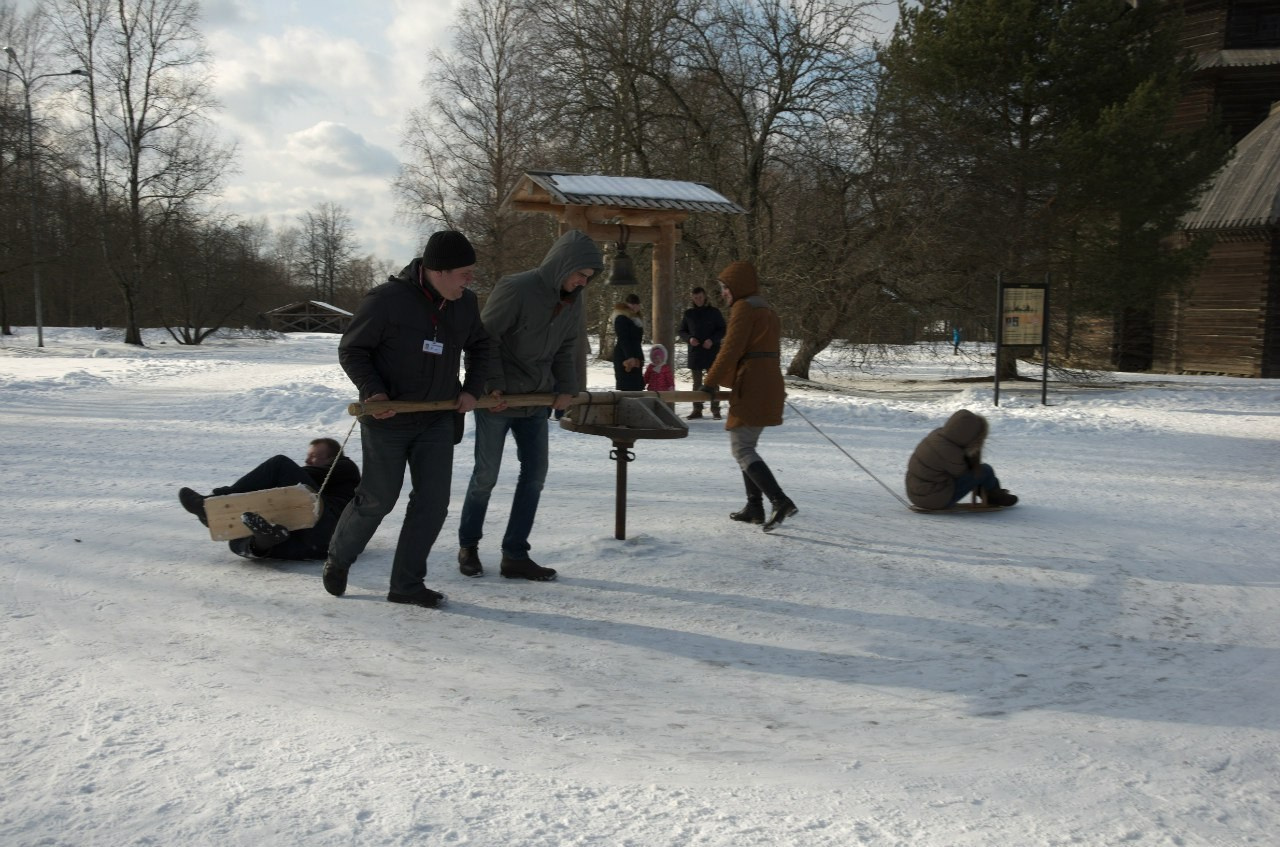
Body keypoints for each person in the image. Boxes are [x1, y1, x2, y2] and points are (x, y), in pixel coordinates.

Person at [321, 230, 494, 609]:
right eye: (464, 272)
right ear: (438, 270)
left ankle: (406, 584)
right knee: (378, 498)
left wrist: (471, 388)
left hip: (436, 419)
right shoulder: (387, 300)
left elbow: (480, 346)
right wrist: (374, 391)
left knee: (433, 502)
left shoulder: (465, 304)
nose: (470, 280)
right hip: (388, 418)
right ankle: (338, 558)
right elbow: (353, 350)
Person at [456, 230, 602, 581]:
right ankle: (468, 546)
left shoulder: (573, 299)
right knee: (485, 477)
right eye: (580, 273)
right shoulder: (516, 288)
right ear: (563, 264)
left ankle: (515, 554)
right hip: (498, 401)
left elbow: (568, 346)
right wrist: (493, 386)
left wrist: (566, 387)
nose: (583, 282)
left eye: (588, 278)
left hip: (536, 399)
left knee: (535, 476)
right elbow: (483, 339)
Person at [703, 261, 797, 532]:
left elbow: (730, 349)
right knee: (747, 446)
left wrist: (710, 383)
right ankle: (754, 506)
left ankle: (779, 501)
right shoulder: (766, 308)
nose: (723, 293)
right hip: (768, 381)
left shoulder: (745, 308)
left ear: (736, 287)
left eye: (724, 288)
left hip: (753, 383)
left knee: (741, 448)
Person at [177, 438, 360, 561]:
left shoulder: (345, 466)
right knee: (236, 539)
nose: (307, 460)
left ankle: (213, 503)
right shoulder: (310, 492)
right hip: (317, 547)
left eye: (314, 456)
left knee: (279, 465)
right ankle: (263, 542)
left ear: (333, 457)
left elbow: (288, 475)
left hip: (329, 526)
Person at [905, 409, 1019, 510]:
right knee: (985, 470)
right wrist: (972, 457)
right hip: (934, 498)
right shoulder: (951, 452)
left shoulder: (937, 436)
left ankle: (992, 494)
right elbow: (964, 474)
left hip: (915, 492)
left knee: (980, 472)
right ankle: (995, 496)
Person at [677, 286, 726, 419]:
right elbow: (681, 331)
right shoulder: (689, 314)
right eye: (695, 297)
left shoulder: (714, 312)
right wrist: (689, 338)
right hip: (695, 352)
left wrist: (712, 340)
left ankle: (715, 409)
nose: (698, 299)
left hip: (712, 351)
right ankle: (697, 409)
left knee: (713, 382)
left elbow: (722, 329)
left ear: (705, 296)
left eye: (700, 297)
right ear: (692, 298)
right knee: (696, 383)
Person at [612, 291, 645, 390]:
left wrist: (639, 357)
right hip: (625, 356)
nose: (634, 306)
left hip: (635, 355)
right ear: (627, 304)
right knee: (628, 387)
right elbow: (623, 339)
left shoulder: (636, 319)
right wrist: (629, 357)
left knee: (637, 387)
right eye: (632, 304)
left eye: (637, 304)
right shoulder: (621, 318)